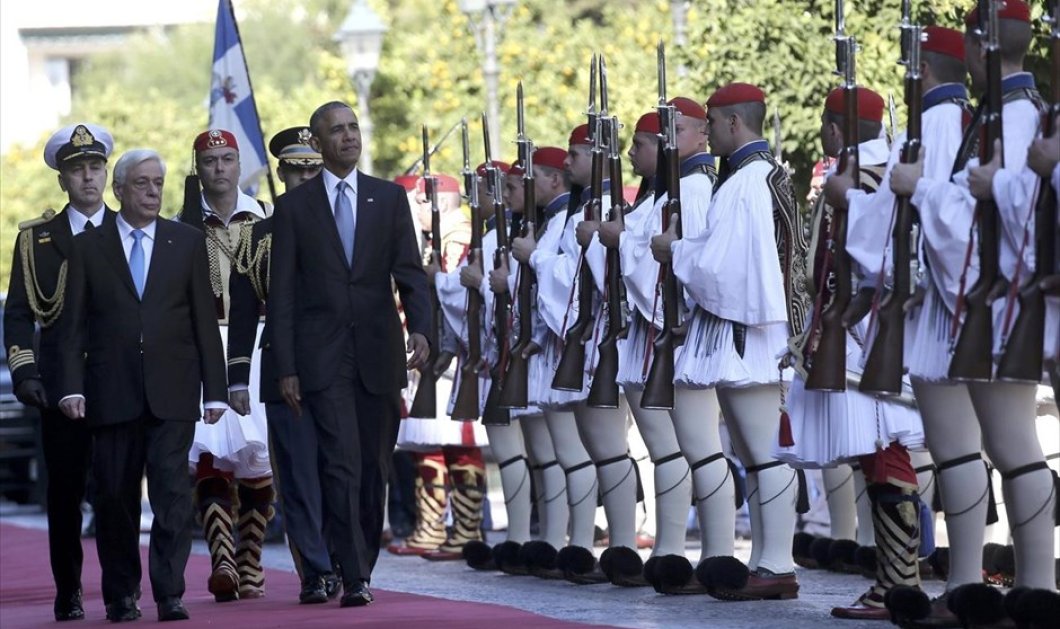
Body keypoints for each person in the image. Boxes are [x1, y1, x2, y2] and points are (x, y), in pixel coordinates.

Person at [884, 3, 1056, 625]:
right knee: (964, 451)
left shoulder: (1012, 117)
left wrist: (918, 188)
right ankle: (972, 590)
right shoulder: (1010, 113)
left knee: (1014, 448)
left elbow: (995, 224)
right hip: (975, 299)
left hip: (990, 299)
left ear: (983, 41)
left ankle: (1035, 590)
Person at [267, 101, 431, 608]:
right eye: (336, 131)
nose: (348, 137)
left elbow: (409, 272)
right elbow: (284, 293)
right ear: (317, 142)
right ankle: (354, 575)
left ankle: (357, 560)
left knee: (374, 467)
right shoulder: (294, 208)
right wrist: (286, 367)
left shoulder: (388, 198)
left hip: (379, 354)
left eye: (353, 128)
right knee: (340, 464)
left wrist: (424, 329)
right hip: (322, 358)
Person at [57, 148, 228, 623]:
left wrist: (215, 389)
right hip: (111, 392)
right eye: (142, 184)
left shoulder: (187, 241)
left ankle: (170, 592)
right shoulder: (89, 246)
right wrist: (71, 387)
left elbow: (203, 322)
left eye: (158, 183)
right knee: (114, 496)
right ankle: (120, 595)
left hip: (173, 390)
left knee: (173, 495)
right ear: (119, 189)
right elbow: (72, 326)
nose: (153, 192)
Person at [652, 83, 808, 601]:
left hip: (752, 336)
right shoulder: (751, 176)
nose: (711, 131)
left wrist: (675, 251)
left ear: (734, 124)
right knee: (754, 452)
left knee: (765, 455)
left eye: (714, 123)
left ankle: (777, 563)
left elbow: (722, 267)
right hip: (748, 332)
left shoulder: (747, 182)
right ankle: (765, 560)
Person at [779, 85, 928, 620]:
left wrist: (840, 320)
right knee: (878, 455)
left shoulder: (868, 178)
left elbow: (874, 257)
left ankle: (898, 586)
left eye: (824, 123)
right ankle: (896, 581)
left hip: (866, 333)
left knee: (883, 453)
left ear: (836, 130)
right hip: (860, 331)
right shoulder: (879, 169)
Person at [226, 126, 344, 604]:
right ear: (281, 175)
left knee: (341, 472)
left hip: (340, 369)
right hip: (284, 370)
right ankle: (314, 570)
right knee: (296, 476)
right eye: (295, 173)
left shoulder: (346, 226)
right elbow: (240, 312)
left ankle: (346, 563)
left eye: (312, 172)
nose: (303, 181)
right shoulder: (256, 237)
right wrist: (236, 377)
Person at [3, 123, 115, 622]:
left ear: (107, 173)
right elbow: (20, 313)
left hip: (117, 381)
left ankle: (121, 590)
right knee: (65, 494)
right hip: (56, 384)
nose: (87, 177)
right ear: (62, 180)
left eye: (95, 167)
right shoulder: (36, 240)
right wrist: (26, 374)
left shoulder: (127, 229)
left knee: (116, 490)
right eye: (77, 170)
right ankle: (68, 588)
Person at [179, 129, 274, 603]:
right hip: (199, 344)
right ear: (198, 167)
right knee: (211, 453)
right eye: (210, 160)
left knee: (258, 457)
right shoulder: (180, 223)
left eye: (227, 159)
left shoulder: (264, 217)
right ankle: (221, 557)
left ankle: (250, 558)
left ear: (241, 165)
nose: (219, 168)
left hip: (252, 343)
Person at [391, 168, 490, 560]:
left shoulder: (458, 235)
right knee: (432, 440)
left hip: (456, 353)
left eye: (419, 201)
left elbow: (455, 291)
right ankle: (433, 525)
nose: (414, 209)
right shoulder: (439, 237)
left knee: (459, 442)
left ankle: (465, 528)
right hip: (436, 353)